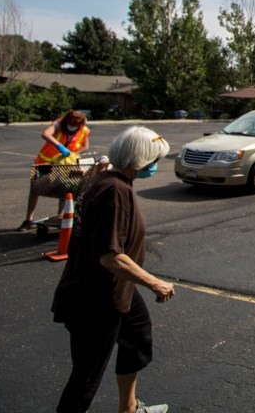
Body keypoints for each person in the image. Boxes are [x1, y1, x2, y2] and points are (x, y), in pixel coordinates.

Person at [51, 126, 174, 413]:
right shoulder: (115, 191)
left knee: (138, 337)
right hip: (95, 297)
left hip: (118, 290)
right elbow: (110, 257)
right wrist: (155, 283)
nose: (156, 166)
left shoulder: (110, 180)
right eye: (155, 160)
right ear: (141, 160)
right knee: (86, 377)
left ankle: (128, 408)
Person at [19, 110, 91, 231]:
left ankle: (60, 216)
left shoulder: (83, 130)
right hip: (46, 163)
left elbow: (85, 146)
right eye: (71, 124)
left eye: (76, 125)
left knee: (64, 190)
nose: (73, 127)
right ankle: (28, 219)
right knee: (35, 189)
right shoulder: (58, 124)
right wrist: (59, 146)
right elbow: (45, 134)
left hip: (65, 165)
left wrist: (72, 154)